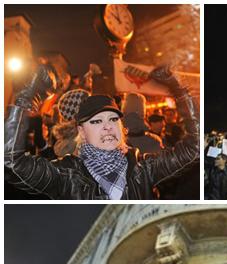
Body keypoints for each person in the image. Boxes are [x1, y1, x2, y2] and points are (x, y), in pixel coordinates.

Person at [5, 64, 199, 200]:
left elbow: (194, 148)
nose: (108, 126)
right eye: (96, 121)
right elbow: (10, 162)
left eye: (113, 119)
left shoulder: (144, 169)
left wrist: (180, 91)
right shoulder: (66, 175)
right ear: (81, 131)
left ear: (122, 128)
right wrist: (26, 99)